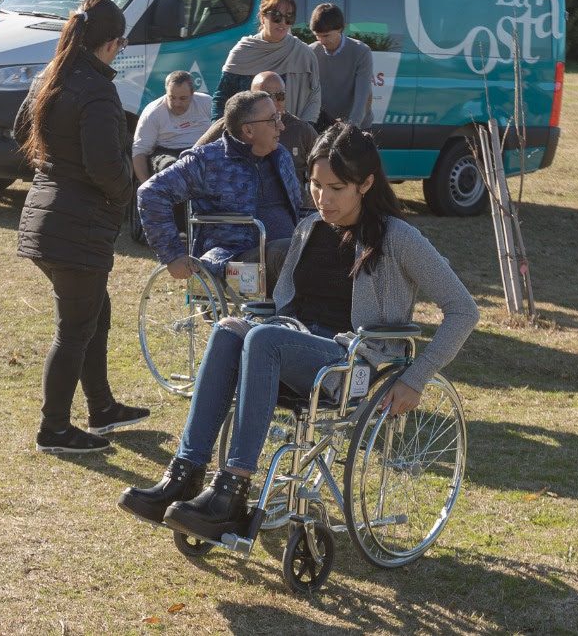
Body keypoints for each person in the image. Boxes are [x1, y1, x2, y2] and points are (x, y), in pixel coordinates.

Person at [117, 123, 479, 538]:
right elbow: (282, 305)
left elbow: (463, 310)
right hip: (294, 346)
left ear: (366, 184)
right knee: (229, 330)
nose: (323, 199)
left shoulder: (399, 238)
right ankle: (184, 475)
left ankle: (231, 491)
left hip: (353, 365)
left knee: (262, 337)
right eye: (315, 185)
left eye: (336, 188)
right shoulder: (309, 229)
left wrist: (416, 378)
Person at [13, 0, 149, 454]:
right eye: (122, 43)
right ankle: (54, 429)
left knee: (95, 312)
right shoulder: (96, 89)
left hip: (47, 216)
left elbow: (21, 133)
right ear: (111, 44)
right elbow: (106, 165)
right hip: (76, 225)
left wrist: (57, 164)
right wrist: (126, 196)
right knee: (73, 330)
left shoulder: (48, 76)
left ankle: (102, 406)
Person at [136, 90, 302, 294]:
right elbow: (151, 192)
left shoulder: (281, 156)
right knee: (289, 252)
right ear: (248, 130)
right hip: (232, 263)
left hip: (284, 255)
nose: (281, 126)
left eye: (279, 117)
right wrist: (172, 254)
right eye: (273, 119)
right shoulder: (207, 161)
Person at [195, 70, 317, 206]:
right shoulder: (231, 124)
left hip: (289, 211)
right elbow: (195, 158)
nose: (274, 102)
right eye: (265, 97)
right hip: (238, 210)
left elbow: (325, 170)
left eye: (280, 96)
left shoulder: (301, 130)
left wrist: (312, 211)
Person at [209, 0, 321, 125]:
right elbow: (222, 98)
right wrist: (220, 132)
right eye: (276, 17)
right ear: (262, 17)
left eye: (289, 17)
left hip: (290, 136)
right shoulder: (243, 51)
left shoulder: (304, 54)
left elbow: (314, 97)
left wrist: (303, 130)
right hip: (247, 138)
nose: (283, 23)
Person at [131, 70, 213, 184]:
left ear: (192, 93)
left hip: (201, 148)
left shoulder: (206, 103)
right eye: (172, 97)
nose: (177, 103)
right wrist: (146, 186)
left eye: (183, 98)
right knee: (171, 169)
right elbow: (139, 151)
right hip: (168, 152)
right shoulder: (153, 112)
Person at [309, 3, 373, 131]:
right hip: (323, 126)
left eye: (326, 35)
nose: (322, 41)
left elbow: (362, 98)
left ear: (340, 29)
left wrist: (350, 128)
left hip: (356, 126)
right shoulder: (311, 51)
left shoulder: (361, 52)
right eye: (318, 35)